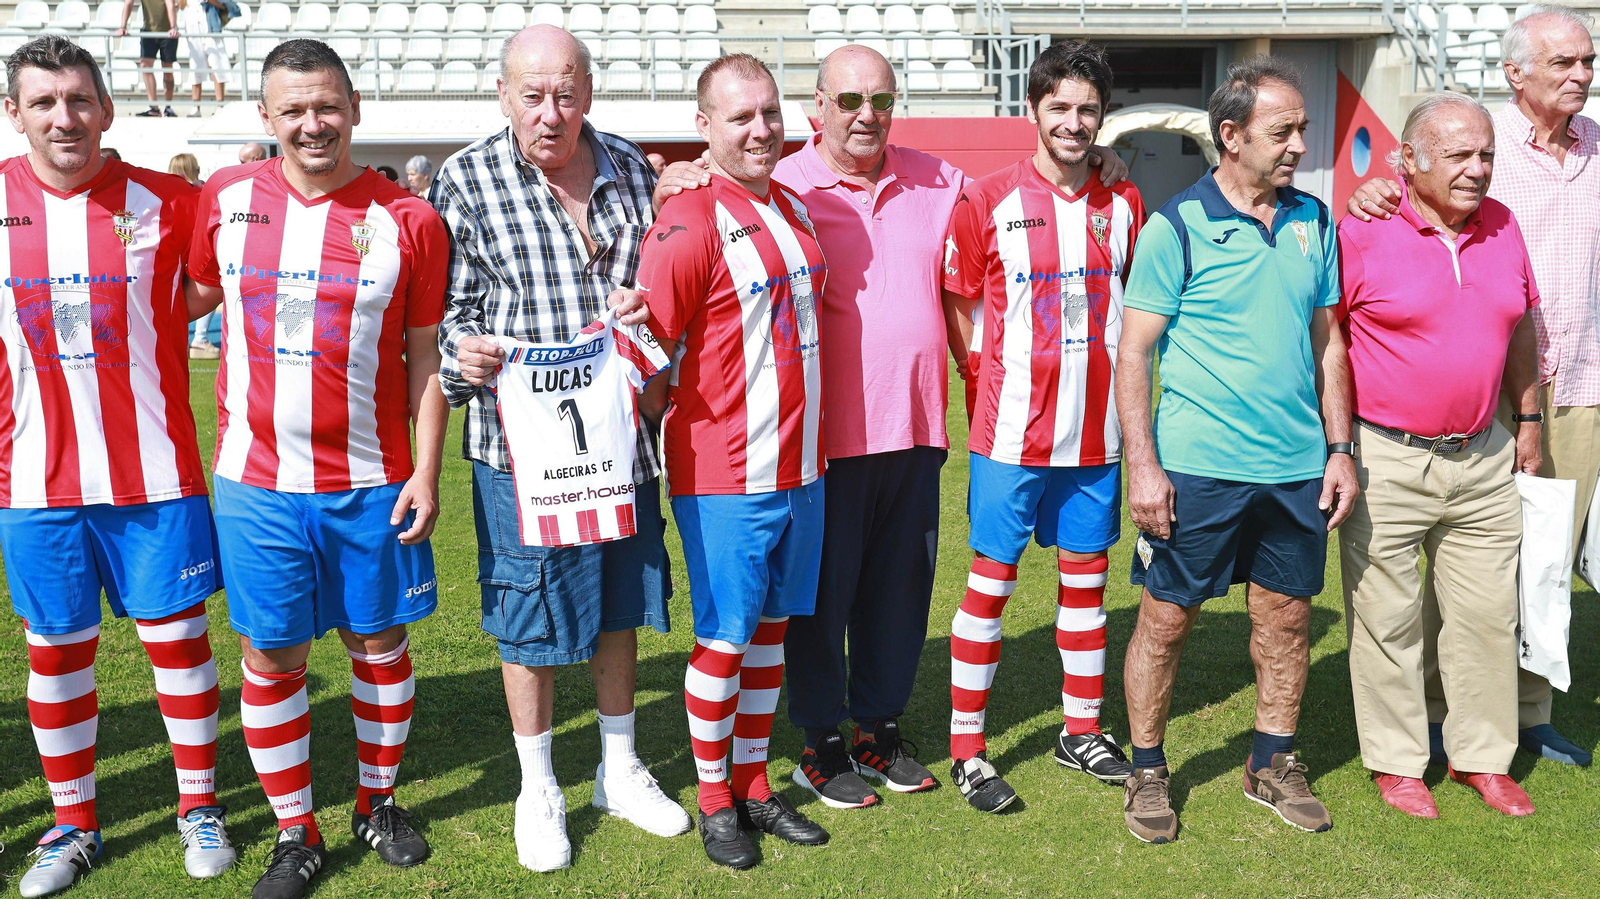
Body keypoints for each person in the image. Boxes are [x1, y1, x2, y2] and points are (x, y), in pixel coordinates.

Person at [186, 39, 449, 899]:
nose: (312, 123)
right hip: (256, 483)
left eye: (327, 105)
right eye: (293, 109)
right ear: (265, 115)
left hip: (373, 481)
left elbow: (425, 358)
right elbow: (180, 295)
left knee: (378, 642)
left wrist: (425, 471)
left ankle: (377, 800)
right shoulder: (225, 198)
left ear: (355, 108)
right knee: (272, 652)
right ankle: (295, 828)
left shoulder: (409, 220)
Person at [433, 25, 690, 874]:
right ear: (504, 95)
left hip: (620, 438)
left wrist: (647, 308)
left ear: (588, 92)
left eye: (567, 94)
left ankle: (619, 765)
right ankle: (537, 784)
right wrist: (464, 352)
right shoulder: (465, 179)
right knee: (529, 613)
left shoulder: (632, 169)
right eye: (534, 95)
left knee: (620, 602)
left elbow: (667, 283)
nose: (551, 113)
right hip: (518, 449)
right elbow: (444, 316)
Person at [0, 34, 234, 897]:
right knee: (56, 654)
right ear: (15, 113)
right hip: (33, 481)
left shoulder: (171, 201)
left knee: (179, 646)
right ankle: (73, 823)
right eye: (43, 102)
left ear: (106, 106)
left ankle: (199, 805)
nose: (63, 117)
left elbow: (226, 277)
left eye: (78, 99)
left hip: (154, 476)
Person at [1345, 3, 1598, 767]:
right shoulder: (1476, 147)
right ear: (1514, 72)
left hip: (1581, 385)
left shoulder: (1598, 148)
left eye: (1588, 62)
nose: (1582, 75)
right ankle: (1432, 708)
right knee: (1457, 559)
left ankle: (1528, 710)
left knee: (1542, 562)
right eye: (1564, 62)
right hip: (1484, 391)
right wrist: (1369, 193)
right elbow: (1399, 194)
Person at [1114, 56, 1357, 844]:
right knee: (1166, 621)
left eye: (1302, 130)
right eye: (1282, 132)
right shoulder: (1176, 226)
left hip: (1295, 469)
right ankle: (1147, 767)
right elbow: (1133, 353)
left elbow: (1329, 343)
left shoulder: (1314, 220)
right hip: (1197, 469)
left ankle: (1271, 761)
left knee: (1286, 619)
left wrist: (1340, 447)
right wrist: (1143, 466)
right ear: (1231, 135)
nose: (1299, 145)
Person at [939, 40, 1144, 813]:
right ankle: (967, 748)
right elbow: (961, 301)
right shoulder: (987, 198)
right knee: (989, 587)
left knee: (1086, 590)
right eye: (1059, 106)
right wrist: (985, 382)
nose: (1073, 122)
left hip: (1096, 435)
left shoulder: (1124, 201)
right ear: (1033, 109)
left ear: (1104, 117)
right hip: (1010, 434)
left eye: (1088, 109)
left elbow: (1135, 303)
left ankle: (1080, 730)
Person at [639, 52, 830, 870]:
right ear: (704, 125)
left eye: (769, 112)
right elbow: (645, 353)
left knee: (771, 632)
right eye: (740, 116)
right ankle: (715, 796)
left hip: (803, 467)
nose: (760, 129)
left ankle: (753, 781)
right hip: (726, 471)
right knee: (725, 637)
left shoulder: (791, 202)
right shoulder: (687, 219)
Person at [1337, 92, 1541, 821]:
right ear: (1409, 162)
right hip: (1386, 455)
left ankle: (1481, 756)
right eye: (1458, 155)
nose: (1476, 169)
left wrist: (1529, 418)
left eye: (1485, 154)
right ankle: (1398, 763)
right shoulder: (1362, 230)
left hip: (1484, 454)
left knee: (1487, 616)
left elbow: (1520, 324)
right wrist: (1337, 447)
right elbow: (1329, 344)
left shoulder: (1504, 225)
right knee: (1386, 618)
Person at [117, 0, 180, 118]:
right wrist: (123, 26)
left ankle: (168, 107)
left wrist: (173, 27)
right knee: (145, 66)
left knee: (167, 69)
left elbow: (170, 4)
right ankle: (153, 107)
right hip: (148, 31)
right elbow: (128, 2)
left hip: (167, 33)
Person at [180, 0, 228, 117]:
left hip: (209, 21)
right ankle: (196, 107)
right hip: (192, 24)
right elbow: (181, 6)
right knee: (195, 64)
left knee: (216, 62)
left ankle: (220, 105)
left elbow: (223, 6)